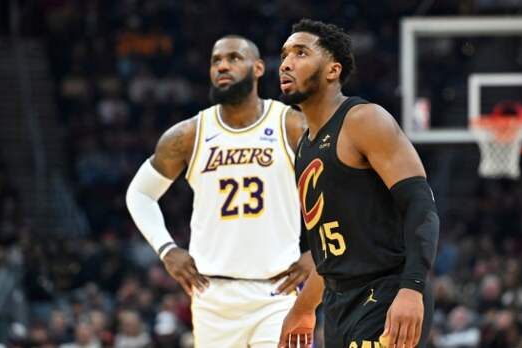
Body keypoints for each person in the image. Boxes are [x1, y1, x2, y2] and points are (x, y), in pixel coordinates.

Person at [126, 35, 312, 347]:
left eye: (233, 58)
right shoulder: (189, 134)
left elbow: (343, 186)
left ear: (258, 68)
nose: (223, 65)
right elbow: (139, 194)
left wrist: (319, 255)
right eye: (216, 61)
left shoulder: (291, 125)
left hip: (277, 294)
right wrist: (167, 249)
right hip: (212, 297)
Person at [277, 19, 439, 348]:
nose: (286, 63)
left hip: (385, 292)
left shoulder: (363, 119)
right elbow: (333, 251)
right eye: (284, 55)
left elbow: (421, 204)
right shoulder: (305, 146)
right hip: (339, 305)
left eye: (301, 52)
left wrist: (412, 288)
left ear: (332, 70)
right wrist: (303, 308)